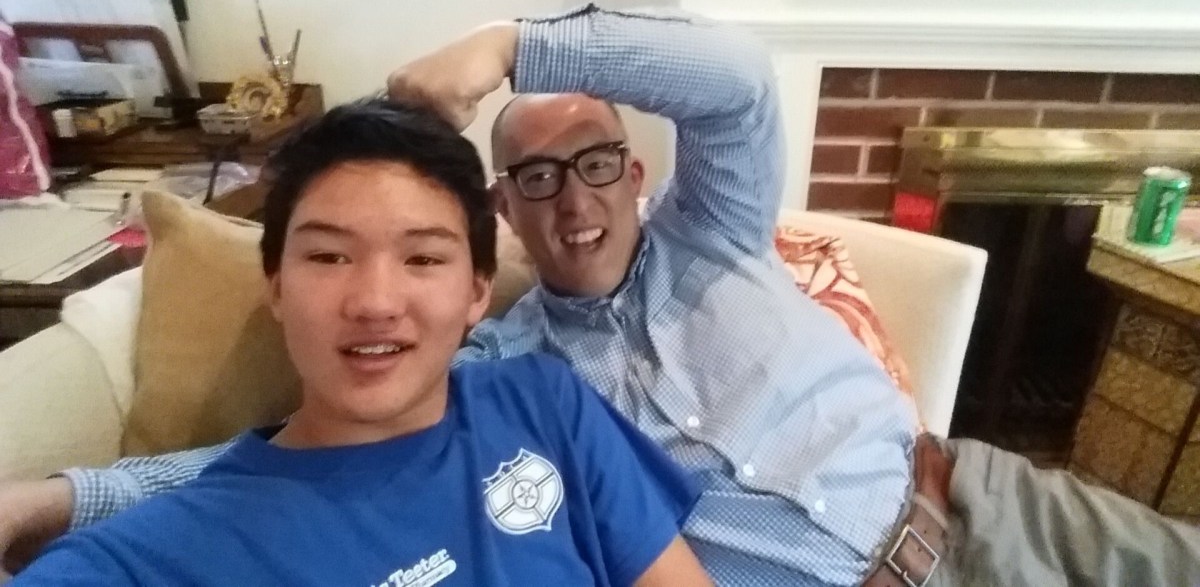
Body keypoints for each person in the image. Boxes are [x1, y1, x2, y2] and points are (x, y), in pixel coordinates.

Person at [3, 4, 1199, 585]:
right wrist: (63, 495)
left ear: (636, 174)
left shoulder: (720, 231)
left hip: (976, 509)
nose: (571, 199)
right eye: (534, 177)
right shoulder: (507, 374)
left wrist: (513, 49)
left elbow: (736, 81)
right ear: (504, 216)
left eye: (593, 164)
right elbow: (285, 455)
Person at [8, 100, 710, 586]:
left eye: (423, 257)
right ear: (276, 286)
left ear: (477, 290)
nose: (375, 302)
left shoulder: (544, 403)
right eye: (329, 256)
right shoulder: (163, 551)